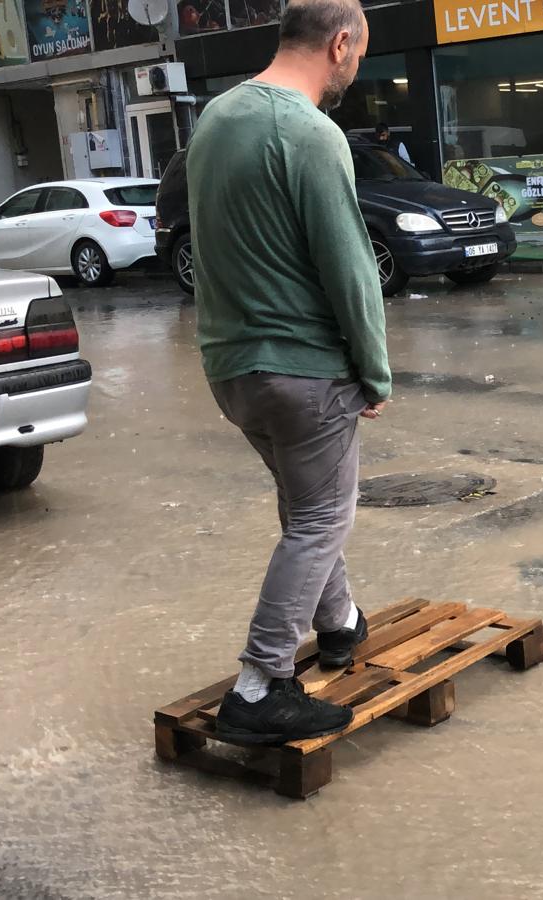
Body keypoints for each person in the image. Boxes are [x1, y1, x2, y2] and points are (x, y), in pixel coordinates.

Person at [186, 0, 392, 746]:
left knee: (304, 504)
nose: (355, 69)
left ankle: (339, 623)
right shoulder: (310, 132)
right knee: (321, 517)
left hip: (230, 364)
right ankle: (260, 684)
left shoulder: (215, 119)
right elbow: (351, 270)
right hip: (303, 370)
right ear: (340, 43)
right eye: (360, 55)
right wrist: (374, 372)